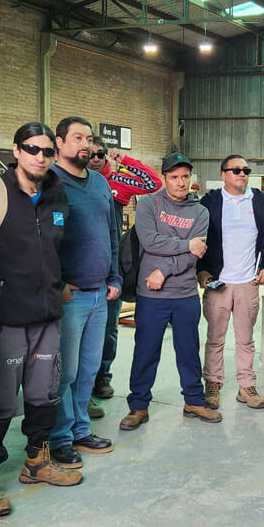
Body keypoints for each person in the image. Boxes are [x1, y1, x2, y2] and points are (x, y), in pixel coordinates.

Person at [0, 122, 82, 519]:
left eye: (46, 151)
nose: (40, 157)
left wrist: (60, 285)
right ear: (16, 151)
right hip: (6, 318)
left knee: (44, 394)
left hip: (47, 316)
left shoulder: (57, 194)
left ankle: (37, 460)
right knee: (1, 402)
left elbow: (60, 249)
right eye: (32, 149)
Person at [119, 153, 218, 430]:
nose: (180, 182)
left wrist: (164, 270)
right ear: (164, 178)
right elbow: (150, 241)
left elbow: (196, 255)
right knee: (146, 351)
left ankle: (194, 401)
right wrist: (186, 244)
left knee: (188, 351)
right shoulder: (149, 203)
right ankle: (138, 406)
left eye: (185, 176)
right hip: (151, 296)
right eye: (174, 177)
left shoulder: (199, 212)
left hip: (184, 294)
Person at [47, 117, 120, 469]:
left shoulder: (101, 184)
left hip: (99, 295)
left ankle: (79, 428)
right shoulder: (50, 184)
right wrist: (57, 284)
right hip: (69, 298)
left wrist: (116, 277)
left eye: (88, 139)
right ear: (59, 143)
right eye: (77, 138)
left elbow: (111, 235)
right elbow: (40, 241)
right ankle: (59, 437)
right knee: (66, 372)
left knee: (90, 369)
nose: (85, 145)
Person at [196, 154, 264, 410]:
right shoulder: (209, 202)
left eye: (245, 170)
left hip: (247, 283)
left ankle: (246, 385)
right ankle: (212, 384)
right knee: (215, 338)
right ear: (223, 175)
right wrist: (203, 272)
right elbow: (198, 238)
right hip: (218, 283)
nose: (241, 174)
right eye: (235, 170)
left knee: (245, 340)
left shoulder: (260, 201)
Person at [87, 136, 162, 409]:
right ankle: (80, 386)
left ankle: (101, 379)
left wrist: (126, 161)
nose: (96, 158)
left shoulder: (117, 181)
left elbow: (153, 183)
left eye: (101, 154)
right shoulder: (73, 181)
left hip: (111, 267)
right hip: (82, 266)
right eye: (91, 154)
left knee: (108, 328)